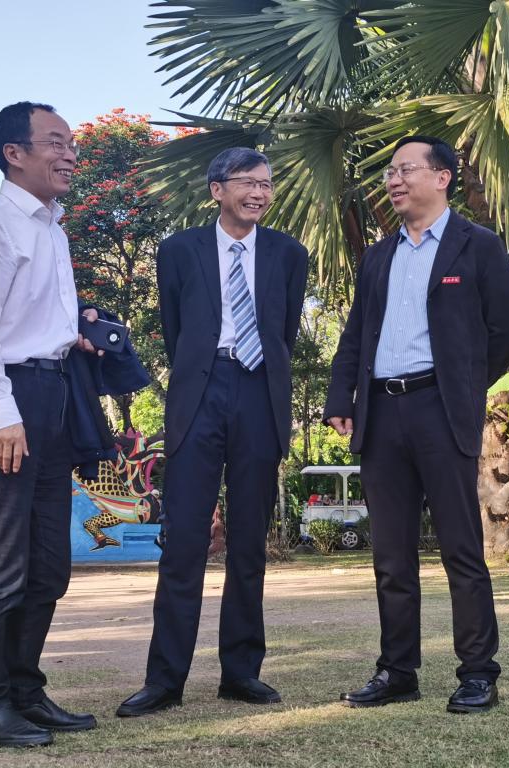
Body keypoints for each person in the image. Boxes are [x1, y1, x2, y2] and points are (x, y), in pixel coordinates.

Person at [324, 135, 509, 713]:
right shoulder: (378, 256)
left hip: (441, 408)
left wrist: (462, 382)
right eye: (390, 171)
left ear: (442, 178)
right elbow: (356, 333)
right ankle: (397, 671)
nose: (394, 180)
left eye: (406, 169)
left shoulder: (477, 245)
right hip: (381, 412)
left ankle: (478, 673)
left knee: (462, 549)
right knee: (391, 555)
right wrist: (341, 395)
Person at [117, 148, 308, 717]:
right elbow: (176, 330)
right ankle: (164, 680)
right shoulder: (178, 251)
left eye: (267, 183)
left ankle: (241, 673)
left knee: (249, 543)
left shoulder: (289, 253)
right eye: (248, 182)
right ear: (217, 189)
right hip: (199, 394)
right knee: (183, 542)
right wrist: (207, 368)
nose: (259, 192)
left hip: (259, 394)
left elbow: (284, 333)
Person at [0, 101, 100, 747]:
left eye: (71, 144)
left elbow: (33, 322)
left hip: (54, 395)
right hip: (7, 404)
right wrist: (0, 415)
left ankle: (22, 691)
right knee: (1, 564)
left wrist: (76, 335)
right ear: (14, 153)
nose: (70, 155)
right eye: (55, 142)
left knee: (48, 567)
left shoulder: (53, 230)